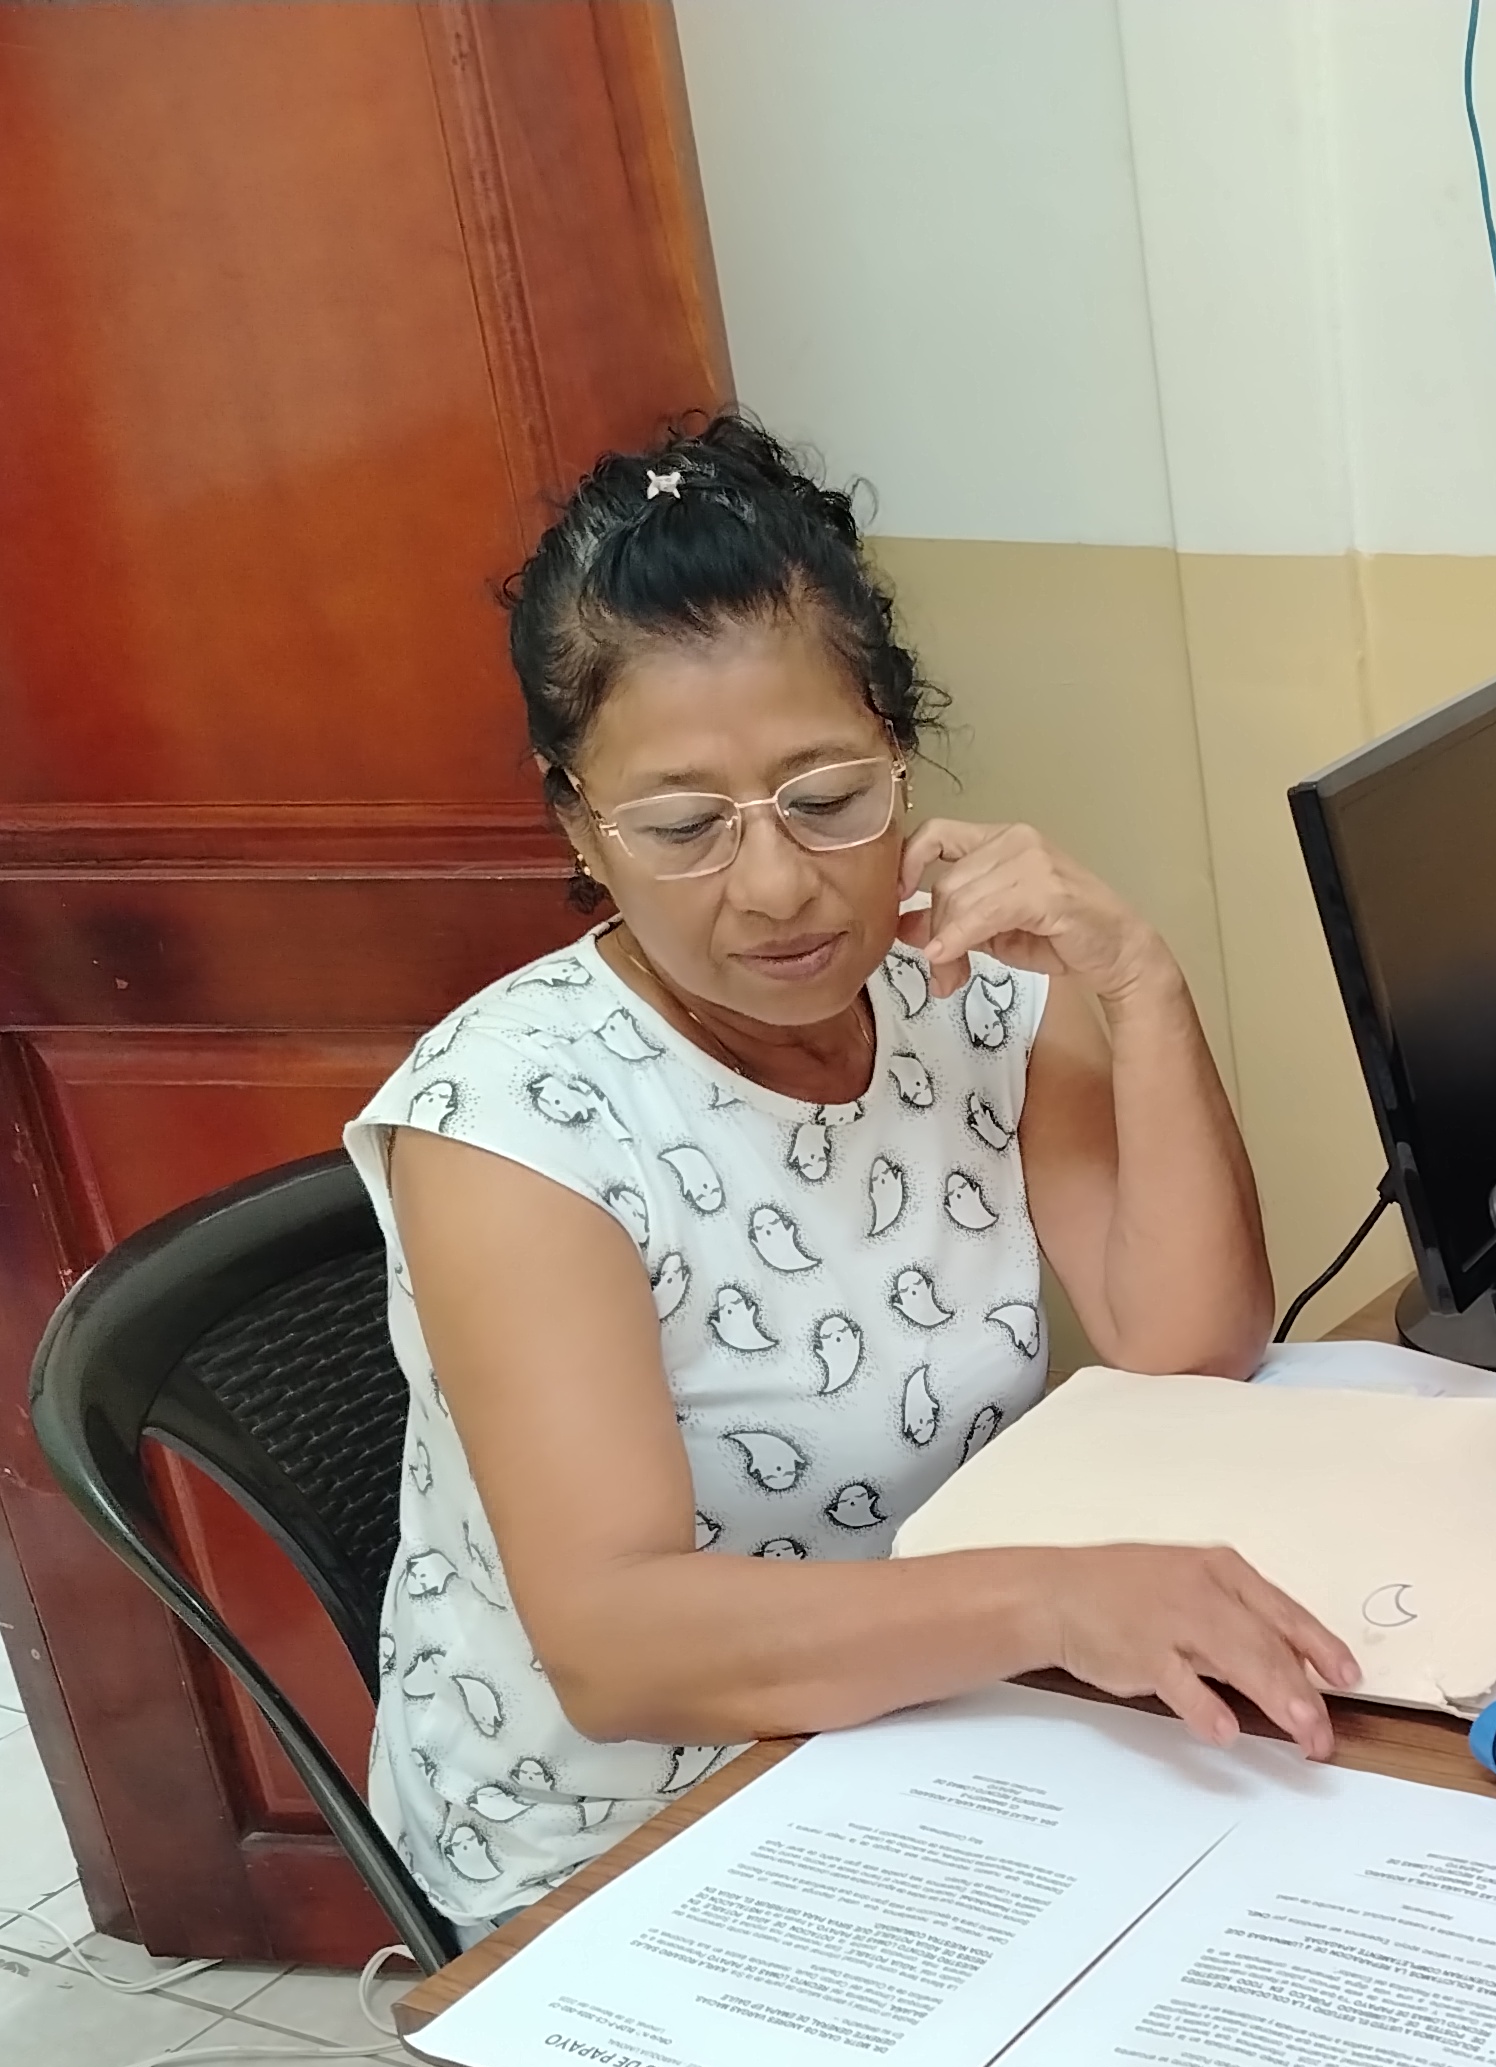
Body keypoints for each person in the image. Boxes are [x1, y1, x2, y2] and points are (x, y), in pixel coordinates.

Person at [348, 414, 1353, 1930]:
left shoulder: (968, 989)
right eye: (682, 827)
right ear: (581, 828)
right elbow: (616, 1650)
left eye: (827, 800)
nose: (776, 887)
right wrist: (1055, 1596)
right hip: (627, 1830)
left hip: (927, 1713)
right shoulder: (514, 1119)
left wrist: (1140, 982)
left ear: (900, 752)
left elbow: (1189, 1345)